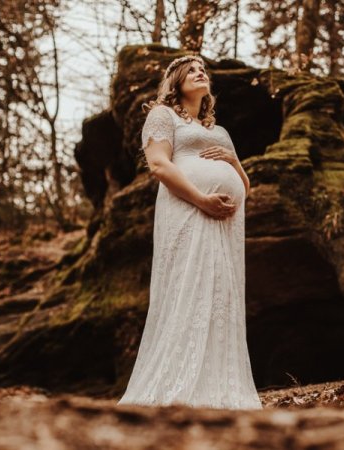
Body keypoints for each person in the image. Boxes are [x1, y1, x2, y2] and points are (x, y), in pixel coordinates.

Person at [116, 54, 262, 409]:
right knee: (189, 289)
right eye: (192, 70)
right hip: (187, 211)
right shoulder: (162, 116)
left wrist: (233, 162)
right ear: (177, 81)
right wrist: (201, 199)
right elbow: (158, 165)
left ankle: (218, 386)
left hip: (225, 224)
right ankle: (178, 387)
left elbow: (245, 186)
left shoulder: (220, 131)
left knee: (220, 297)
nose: (200, 74)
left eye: (203, 70)